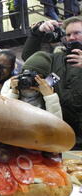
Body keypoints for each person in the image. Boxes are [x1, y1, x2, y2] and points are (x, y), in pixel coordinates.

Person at [22, 16, 82, 149]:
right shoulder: (55, 58)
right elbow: (28, 56)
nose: (72, 37)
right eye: (68, 34)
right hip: (62, 133)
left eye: (77, 33)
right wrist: (38, 32)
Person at [1, 51, 62, 119]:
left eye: (34, 78)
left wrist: (49, 96)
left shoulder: (50, 88)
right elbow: (3, 116)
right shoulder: (11, 83)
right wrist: (13, 92)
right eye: (26, 75)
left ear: (44, 79)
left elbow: (57, 124)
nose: (28, 80)